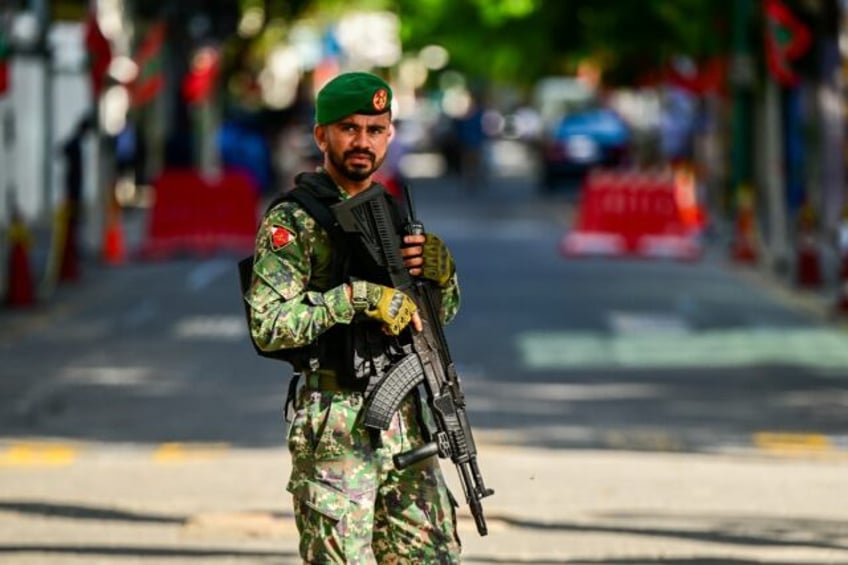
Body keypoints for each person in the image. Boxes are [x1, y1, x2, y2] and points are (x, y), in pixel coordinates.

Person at [244, 71, 462, 563]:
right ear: (321, 135)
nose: (363, 141)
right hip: (337, 427)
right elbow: (269, 324)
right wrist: (354, 299)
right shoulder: (292, 220)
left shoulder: (391, 210)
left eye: (375, 129)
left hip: (409, 422)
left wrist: (441, 279)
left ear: (390, 135)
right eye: (349, 128)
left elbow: (432, 320)